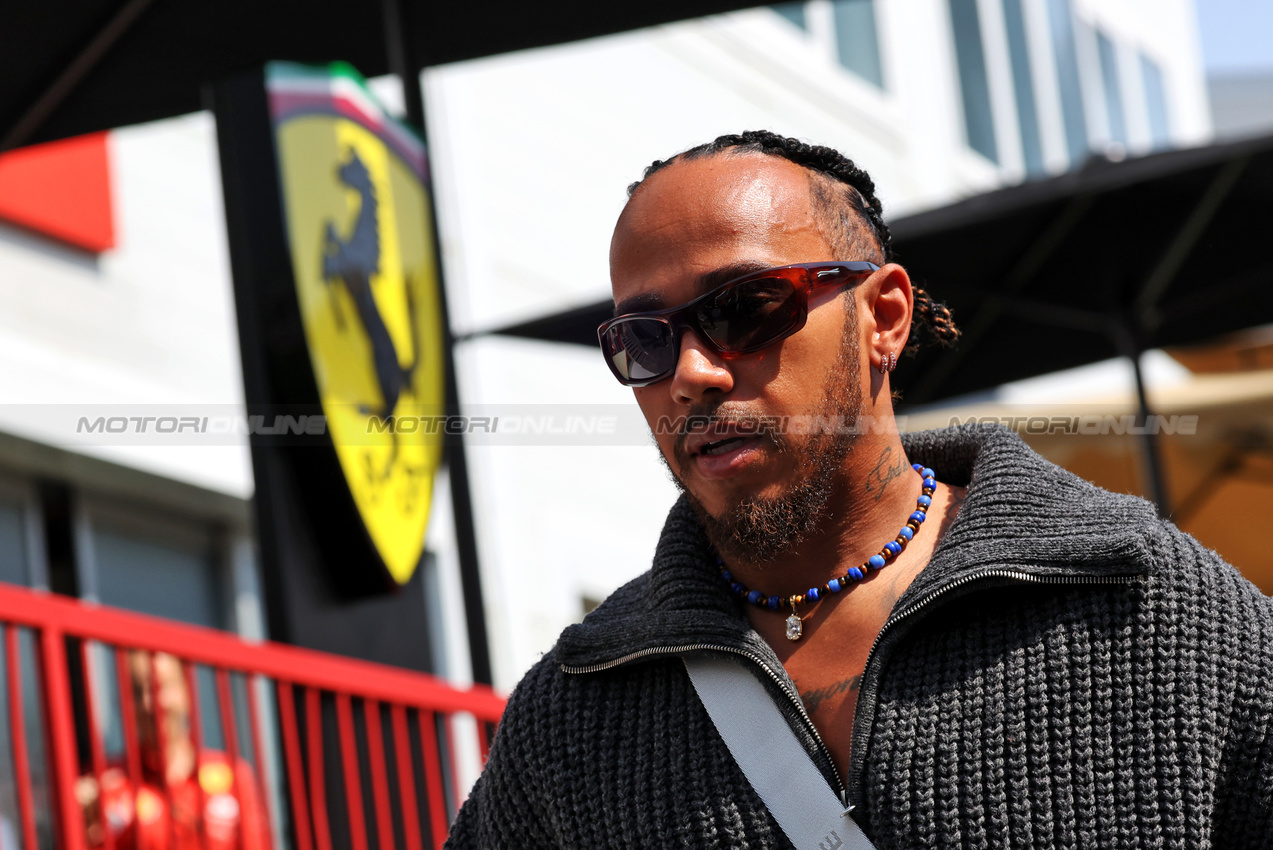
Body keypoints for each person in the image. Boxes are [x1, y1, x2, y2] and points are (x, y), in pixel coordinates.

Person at [445, 131, 1273, 848]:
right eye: (642, 340)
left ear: (883, 318)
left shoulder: (1155, 611)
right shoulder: (575, 714)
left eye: (744, 307)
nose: (691, 375)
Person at [78, 651, 271, 850]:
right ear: (121, 704)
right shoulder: (104, 784)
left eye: (160, 687)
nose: (150, 702)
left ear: (186, 692)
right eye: (137, 691)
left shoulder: (234, 775)